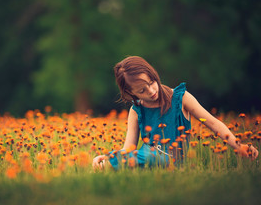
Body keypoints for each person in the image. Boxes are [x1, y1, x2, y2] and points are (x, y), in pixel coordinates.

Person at [92, 56, 259, 170]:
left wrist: (240, 147)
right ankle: (104, 164)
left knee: (150, 156)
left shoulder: (181, 98)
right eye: (142, 90)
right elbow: (130, 149)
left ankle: (110, 165)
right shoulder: (136, 111)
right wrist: (111, 156)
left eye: (151, 83)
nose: (151, 91)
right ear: (131, 94)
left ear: (154, 75)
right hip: (146, 156)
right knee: (140, 155)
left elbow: (211, 122)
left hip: (171, 160)